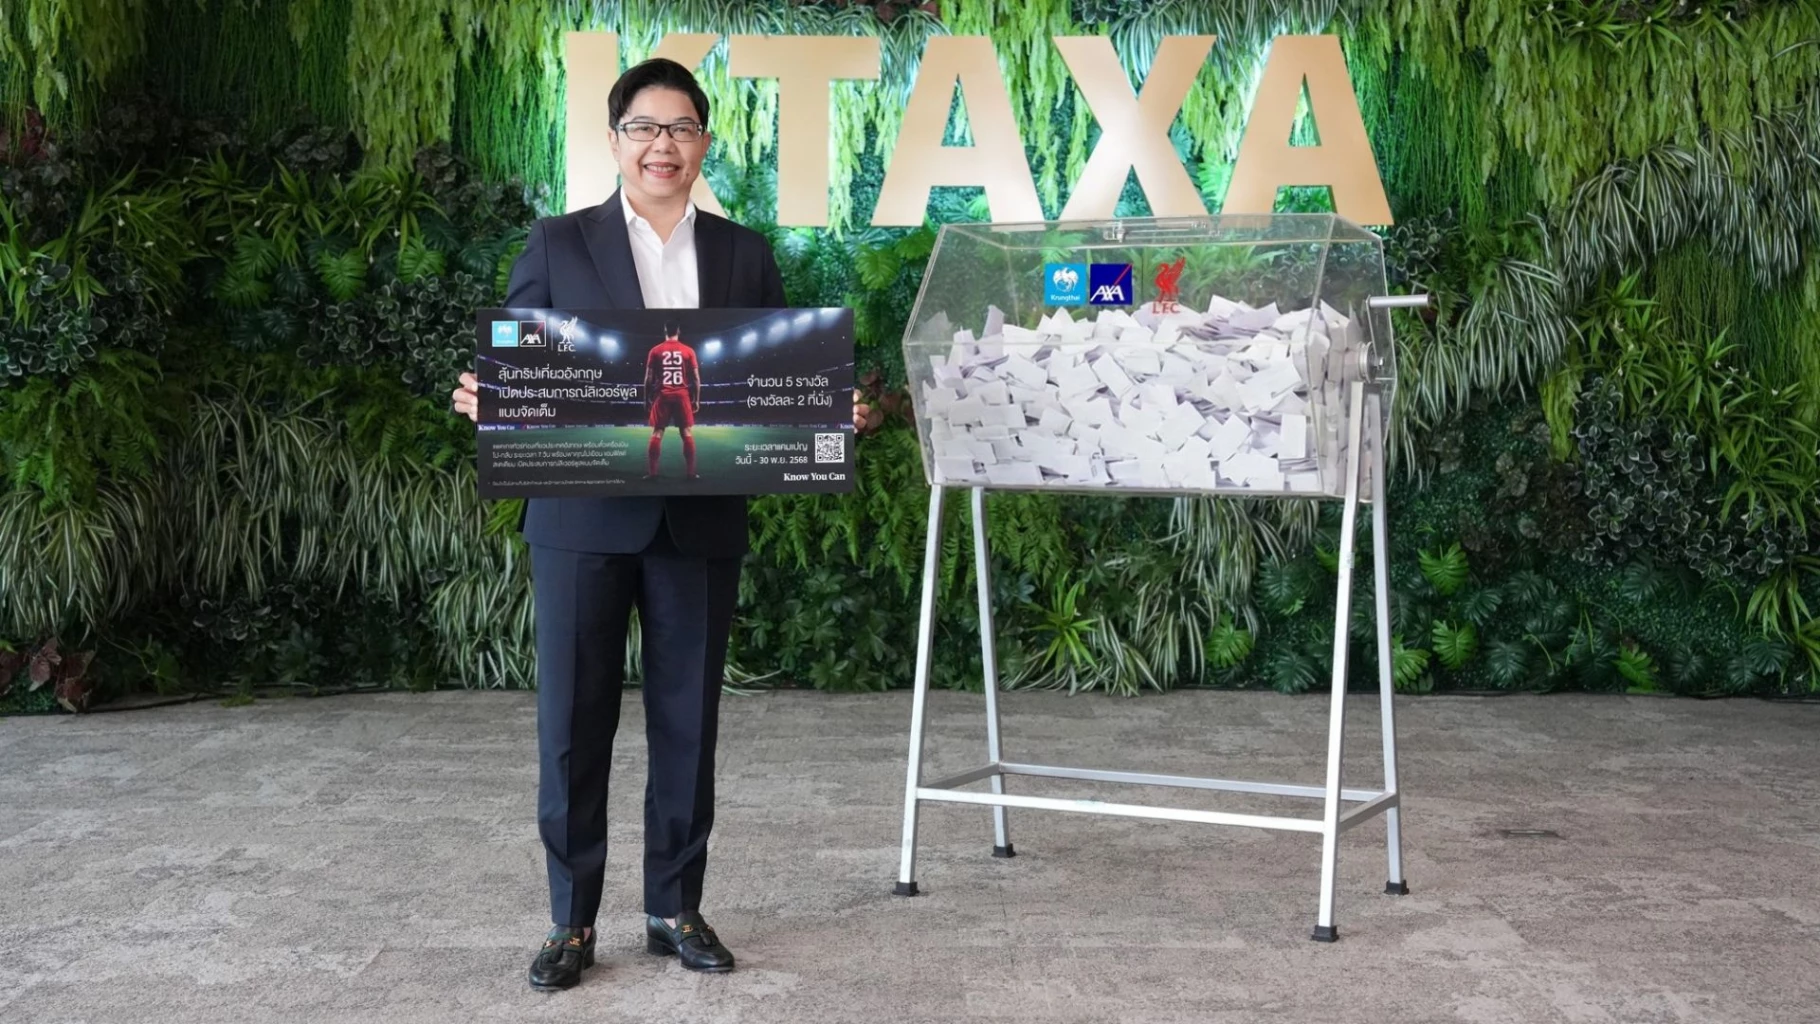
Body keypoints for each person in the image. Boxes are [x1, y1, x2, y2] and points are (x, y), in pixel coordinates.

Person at [451, 58, 869, 991]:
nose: (662, 145)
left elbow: (778, 378)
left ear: (703, 142)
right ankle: (570, 922)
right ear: (614, 141)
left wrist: (831, 409)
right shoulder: (558, 243)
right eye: (644, 128)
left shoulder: (743, 253)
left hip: (699, 522)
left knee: (689, 722)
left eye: (680, 128)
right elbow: (522, 368)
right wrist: (490, 398)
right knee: (571, 726)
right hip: (580, 522)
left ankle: (674, 909)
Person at [643, 319, 701, 480]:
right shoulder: (688, 351)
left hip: (663, 395)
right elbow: (696, 379)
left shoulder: (655, 350)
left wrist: (646, 399)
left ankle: (653, 474)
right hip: (682, 395)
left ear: (665, 331)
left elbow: (648, 378)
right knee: (686, 432)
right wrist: (697, 399)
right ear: (678, 331)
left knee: (657, 432)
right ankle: (691, 474)